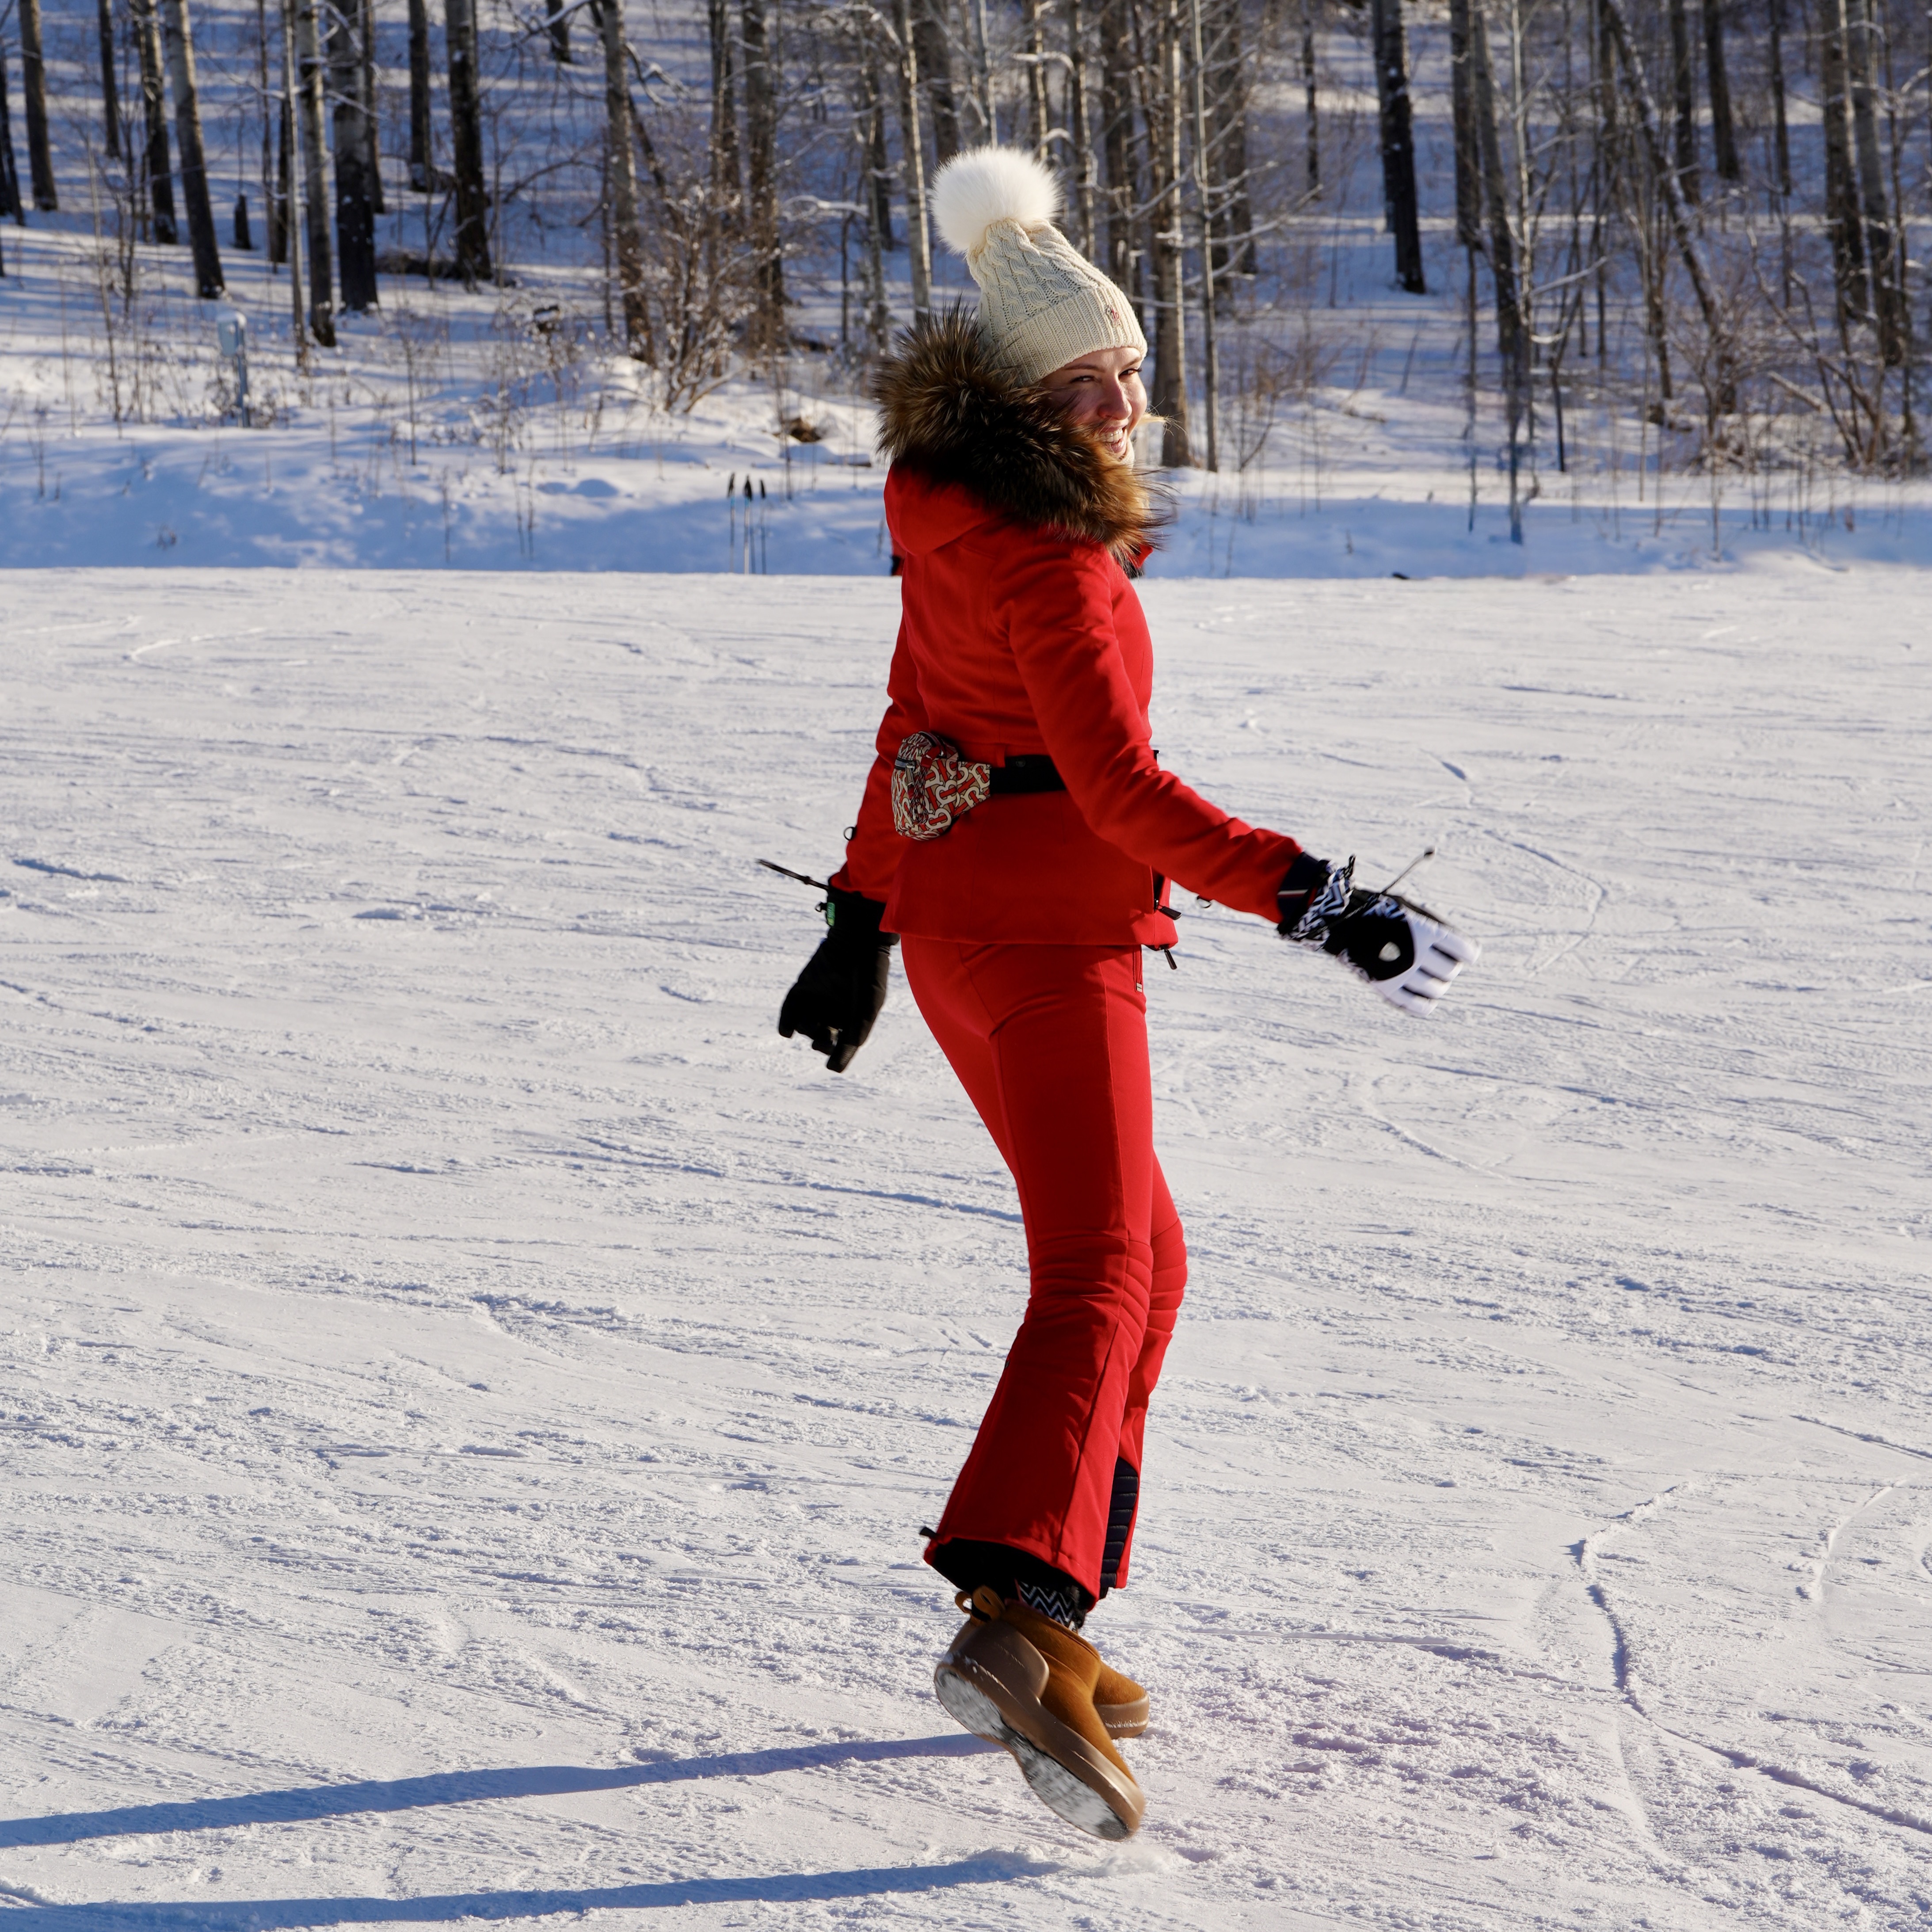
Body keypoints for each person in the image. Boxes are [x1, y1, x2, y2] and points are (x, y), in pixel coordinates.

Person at [777, 147, 1477, 1841]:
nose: (1126, 403)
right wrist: (1319, 898)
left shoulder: (941, 508)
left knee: (1144, 1260)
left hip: (960, 925)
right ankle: (1013, 1613)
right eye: (1094, 383)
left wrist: (865, 914)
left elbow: (912, 715)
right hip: (1046, 933)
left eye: (1137, 372)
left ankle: (1058, 1611)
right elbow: (1120, 793)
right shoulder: (1051, 558)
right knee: (1101, 1264)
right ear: (1028, 401)